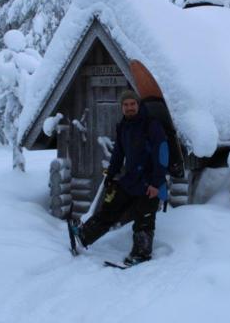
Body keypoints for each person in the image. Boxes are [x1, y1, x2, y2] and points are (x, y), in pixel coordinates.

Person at [70, 90, 169, 265]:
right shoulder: (123, 126)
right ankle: (85, 235)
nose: (129, 107)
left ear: (138, 105)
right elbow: (118, 154)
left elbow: (162, 155)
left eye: (132, 104)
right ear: (122, 107)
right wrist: (110, 175)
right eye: (126, 105)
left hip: (150, 183)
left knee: (144, 220)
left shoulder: (151, 125)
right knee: (109, 208)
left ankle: (141, 253)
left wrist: (156, 183)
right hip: (130, 180)